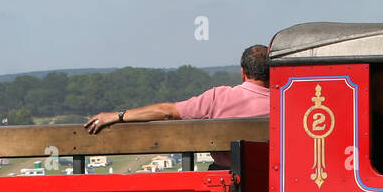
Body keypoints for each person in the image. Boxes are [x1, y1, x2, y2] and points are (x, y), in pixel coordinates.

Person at [85, 45, 269, 169]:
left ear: (243, 72)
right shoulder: (286, 101)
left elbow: (167, 112)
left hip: (229, 178)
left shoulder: (217, 97)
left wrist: (118, 115)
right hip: (274, 179)